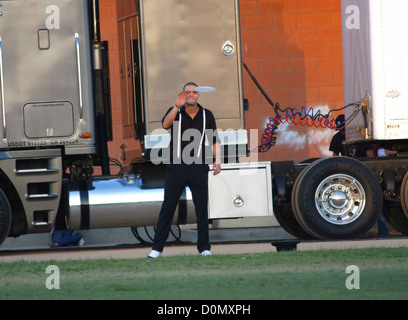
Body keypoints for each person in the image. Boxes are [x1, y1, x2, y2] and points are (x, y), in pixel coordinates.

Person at [148, 82, 221, 258]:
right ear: (183, 95)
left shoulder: (206, 114)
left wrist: (218, 161)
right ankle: (156, 250)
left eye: (194, 92)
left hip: (198, 166)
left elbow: (214, 139)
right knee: (168, 208)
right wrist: (176, 106)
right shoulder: (176, 112)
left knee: (202, 209)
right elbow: (165, 125)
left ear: (198, 95)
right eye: (187, 92)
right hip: (177, 167)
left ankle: (204, 248)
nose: (191, 95)